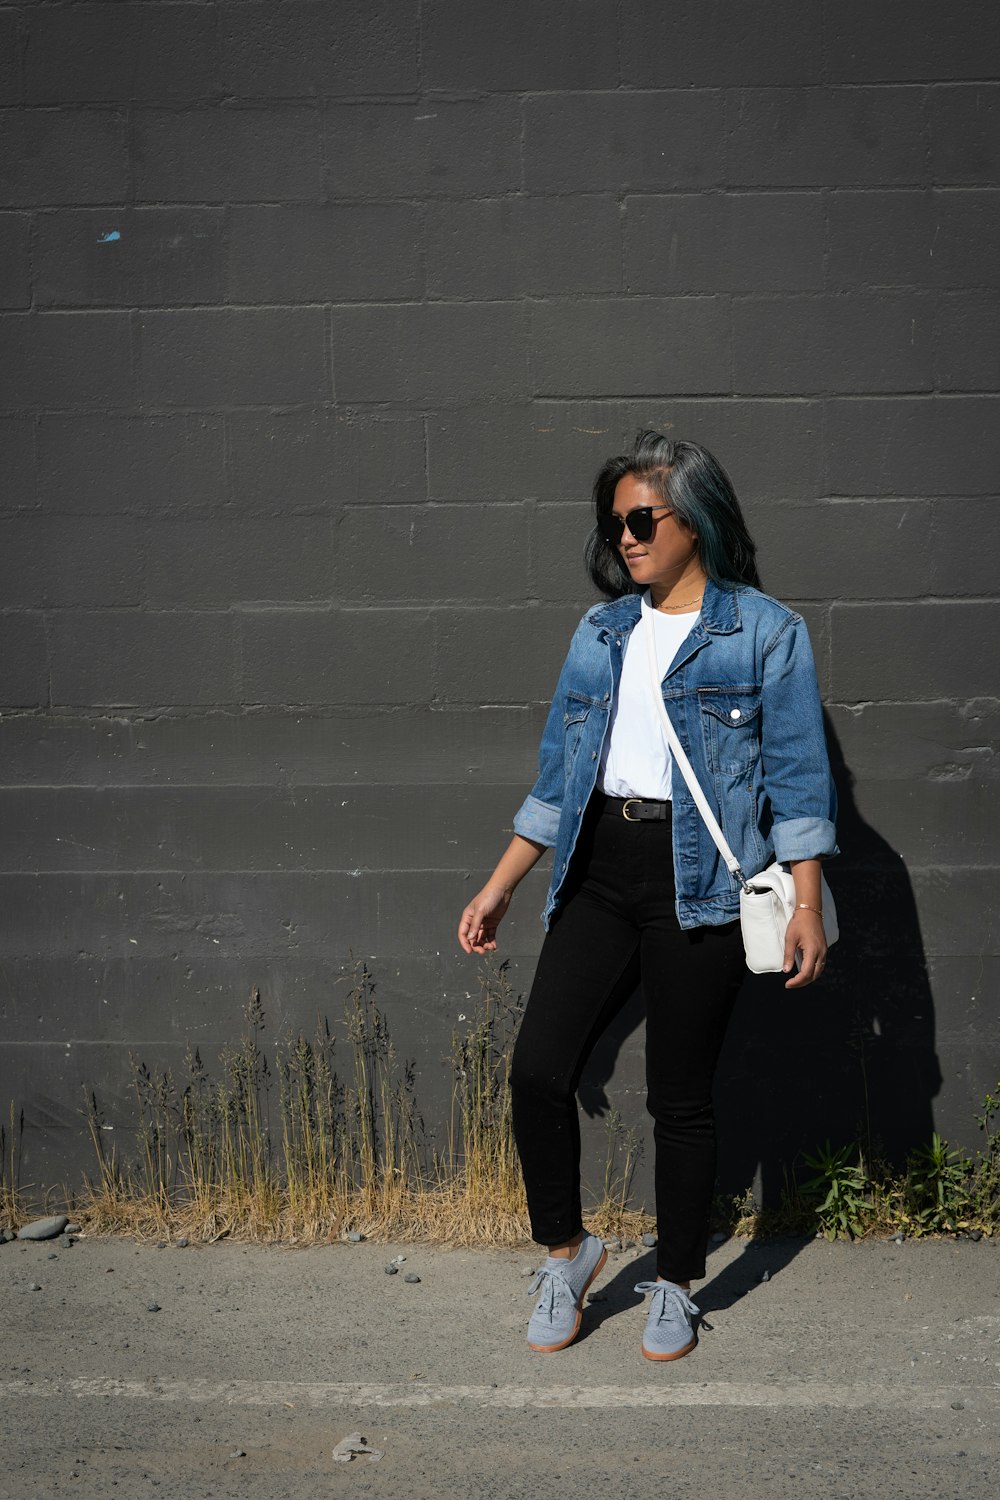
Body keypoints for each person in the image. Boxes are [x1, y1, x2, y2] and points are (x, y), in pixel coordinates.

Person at [457, 431, 837, 1362]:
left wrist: (806, 903)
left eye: (641, 519)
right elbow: (557, 777)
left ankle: (674, 1282)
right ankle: (567, 1252)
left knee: (682, 1098)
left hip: (700, 875)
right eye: (615, 522)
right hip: (600, 867)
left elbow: (797, 780)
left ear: (694, 521)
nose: (625, 538)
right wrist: (501, 884)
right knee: (539, 1069)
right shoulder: (601, 632)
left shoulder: (766, 631)